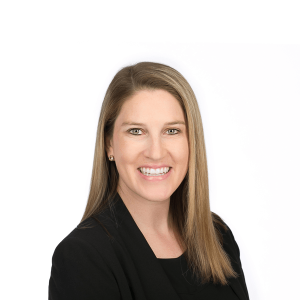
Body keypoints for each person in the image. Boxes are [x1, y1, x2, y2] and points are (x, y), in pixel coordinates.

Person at [48, 62, 250, 300]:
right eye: (136, 131)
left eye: (172, 131)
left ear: (191, 141)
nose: (156, 152)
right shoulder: (82, 257)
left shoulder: (218, 236)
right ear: (109, 143)